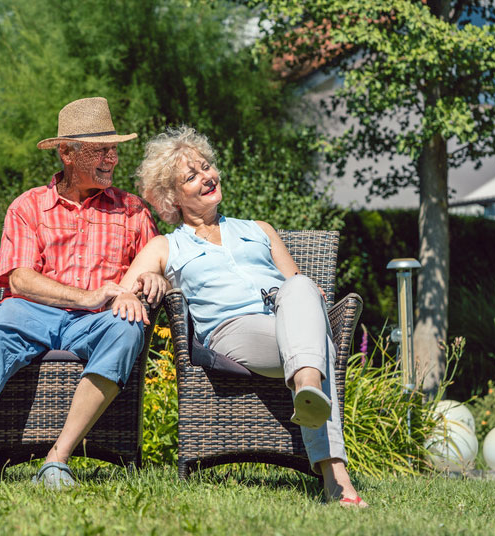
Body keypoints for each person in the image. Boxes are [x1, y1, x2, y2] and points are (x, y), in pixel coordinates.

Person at [0, 97, 167, 489]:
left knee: (127, 330)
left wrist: (152, 280)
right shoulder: (28, 206)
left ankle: (56, 461)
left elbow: (157, 259)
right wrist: (85, 296)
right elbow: (19, 279)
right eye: (101, 150)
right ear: (66, 153)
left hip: (99, 322)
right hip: (32, 312)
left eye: (114, 149)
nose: (112, 159)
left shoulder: (132, 210)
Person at [112, 125, 367, 507]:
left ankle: (309, 390)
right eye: (192, 176)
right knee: (316, 345)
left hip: (287, 321)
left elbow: (300, 289)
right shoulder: (167, 246)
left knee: (298, 286)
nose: (207, 177)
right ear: (172, 197)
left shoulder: (260, 230)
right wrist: (151, 278)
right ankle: (333, 469)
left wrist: (303, 289)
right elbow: (123, 293)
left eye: (208, 167)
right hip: (233, 333)